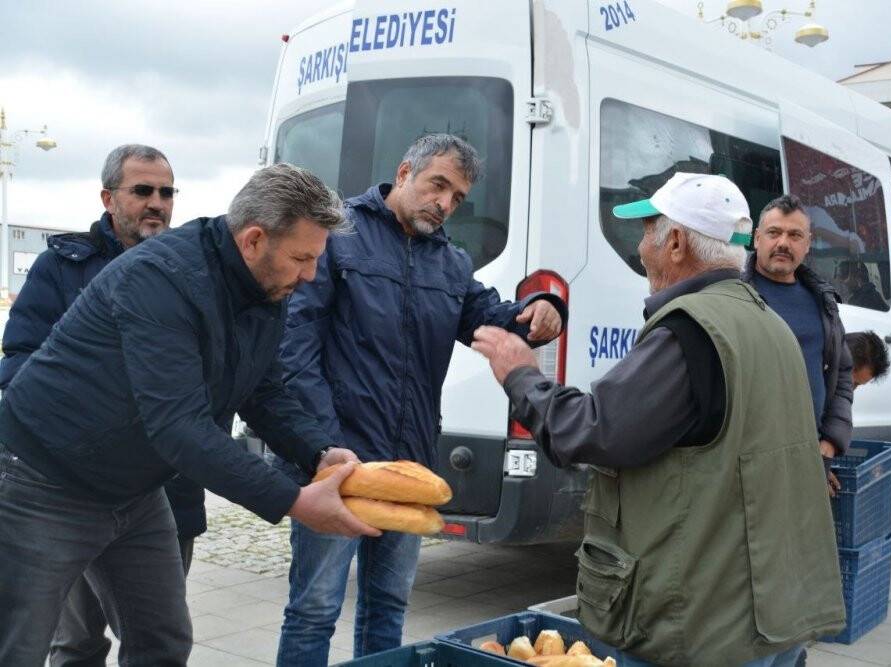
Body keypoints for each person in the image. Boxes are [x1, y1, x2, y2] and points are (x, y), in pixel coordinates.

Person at [0, 163, 379, 666]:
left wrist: (318, 450)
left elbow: (263, 391)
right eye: (302, 258)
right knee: (18, 648)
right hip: (43, 483)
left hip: (133, 490)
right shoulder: (160, 278)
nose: (310, 275)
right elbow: (178, 427)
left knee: (163, 642)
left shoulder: (268, 283)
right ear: (253, 239)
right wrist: (294, 500)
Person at [472, 173, 844, 666]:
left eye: (647, 232)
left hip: (702, 627)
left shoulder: (690, 330)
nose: (640, 247)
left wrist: (520, 374)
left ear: (675, 242)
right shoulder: (768, 322)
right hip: (767, 614)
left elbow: (592, 431)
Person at [274, 133, 567, 663]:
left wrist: (542, 308)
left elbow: (494, 316)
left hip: (408, 461)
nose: (445, 203)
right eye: (438, 185)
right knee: (315, 607)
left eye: (457, 197)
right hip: (337, 462)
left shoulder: (450, 262)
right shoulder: (339, 237)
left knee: (388, 604)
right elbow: (295, 351)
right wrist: (321, 446)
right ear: (405, 173)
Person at [0, 144, 209, 667]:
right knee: (77, 642)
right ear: (108, 197)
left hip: (162, 488)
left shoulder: (187, 271)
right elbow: (20, 360)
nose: (156, 203)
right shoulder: (63, 267)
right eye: (142, 191)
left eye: (166, 192)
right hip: (70, 484)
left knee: (160, 636)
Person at [743, 194, 855, 473]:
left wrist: (831, 440)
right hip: (747, 461)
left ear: (808, 244)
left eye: (795, 235)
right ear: (757, 239)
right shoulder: (733, 294)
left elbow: (843, 374)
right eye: (774, 233)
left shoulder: (824, 304)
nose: (783, 242)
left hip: (808, 460)